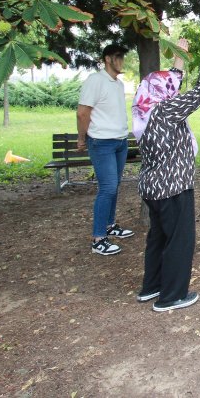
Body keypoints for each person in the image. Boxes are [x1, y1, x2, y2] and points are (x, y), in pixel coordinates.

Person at [131, 32, 200, 312]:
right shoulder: (166, 111)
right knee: (180, 240)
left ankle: (152, 287)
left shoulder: (143, 111)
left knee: (158, 238)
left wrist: (179, 60)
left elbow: (169, 84)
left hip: (152, 188)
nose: (174, 89)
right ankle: (171, 296)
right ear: (163, 93)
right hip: (173, 186)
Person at [77, 43, 134, 256]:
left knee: (115, 185)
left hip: (120, 141)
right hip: (102, 142)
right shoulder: (95, 80)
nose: (122, 61)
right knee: (108, 188)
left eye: (123, 57)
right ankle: (98, 238)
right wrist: (82, 138)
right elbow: (83, 113)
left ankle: (110, 225)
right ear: (108, 59)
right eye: (118, 56)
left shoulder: (118, 84)